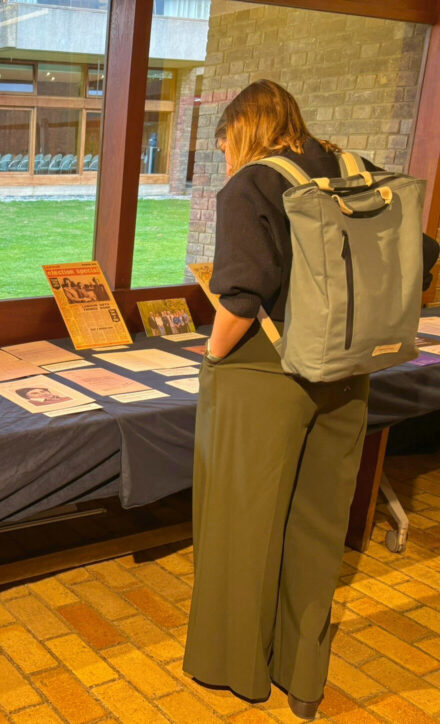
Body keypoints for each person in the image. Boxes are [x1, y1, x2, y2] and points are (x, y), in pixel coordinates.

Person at [182, 79, 440, 720]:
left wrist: (212, 355)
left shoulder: (252, 184)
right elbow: (424, 253)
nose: (225, 162)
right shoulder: (357, 171)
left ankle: (238, 669)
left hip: (265, 376)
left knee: (243, 526)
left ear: (241, 134)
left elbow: (243, 294)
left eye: (224, 148)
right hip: (350, 374)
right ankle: (304, 681)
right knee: (318, 528)